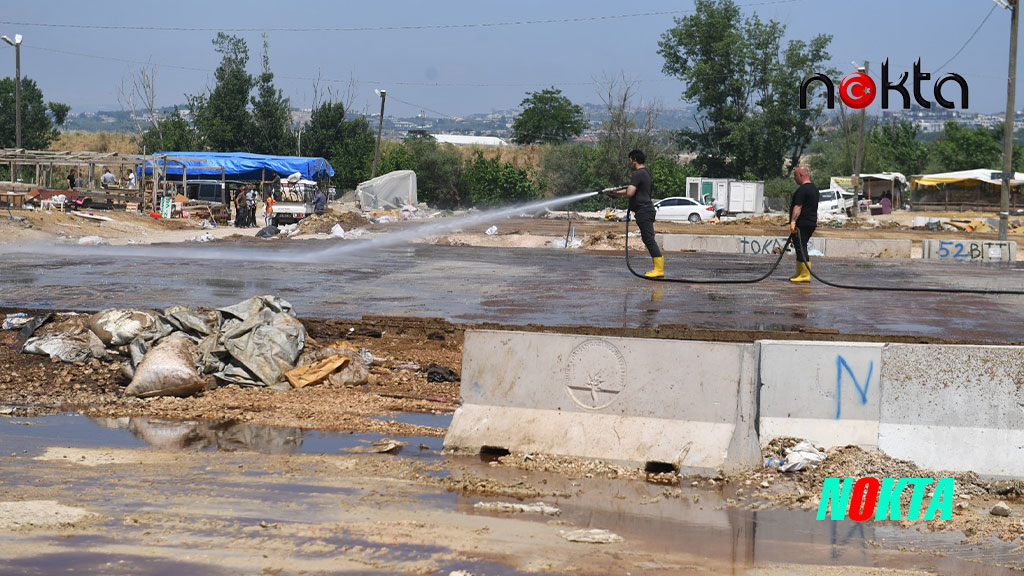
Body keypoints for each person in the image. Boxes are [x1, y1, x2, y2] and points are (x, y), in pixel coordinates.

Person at [606, 149, 663, 278]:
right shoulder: (646, 172)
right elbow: (631, 189)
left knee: (649, 239)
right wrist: (614, 193)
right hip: (646, 210)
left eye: (630, 160)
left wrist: (618, 193)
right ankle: (658, 267)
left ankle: (659, 269)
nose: (629, 163)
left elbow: (630, 192)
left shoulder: (638, 174)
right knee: (648, 238)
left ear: (634, 160)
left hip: (644, 211)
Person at [788, 165, 819, 283]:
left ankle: (805, 274)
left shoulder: (802, 189)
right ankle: (800, 272)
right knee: (801, 245)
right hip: (811, 222)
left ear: (801, 175)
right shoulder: (814, 189)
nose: (794, 178)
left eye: (795, 176)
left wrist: (793, 221)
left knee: (801, 247)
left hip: (802, 223)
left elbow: (798, 206)